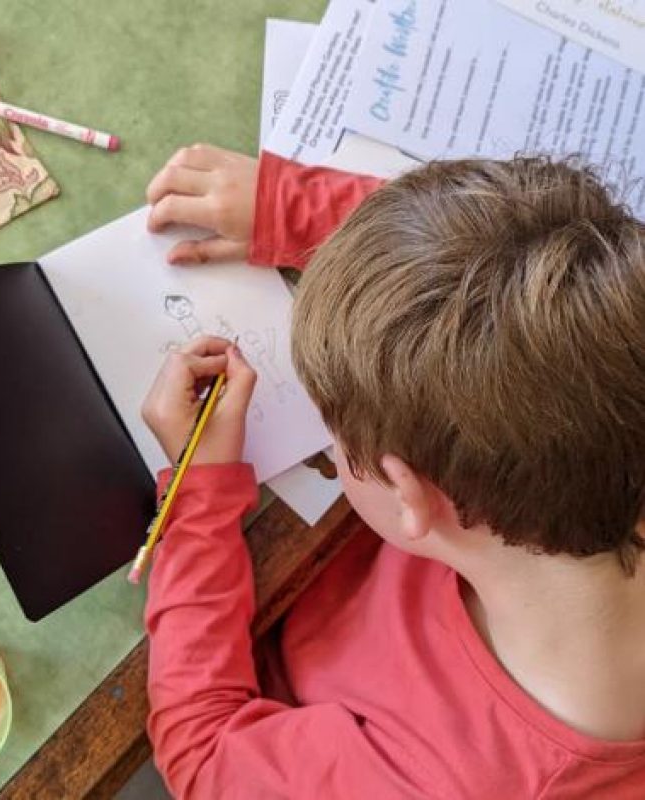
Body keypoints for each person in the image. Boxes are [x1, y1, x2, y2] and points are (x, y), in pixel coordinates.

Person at [139, 144, 645, 798]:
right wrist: (287, 207)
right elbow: (534, 286)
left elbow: (203, 751)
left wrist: (197, 496)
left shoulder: (421, 782)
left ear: (409, 492)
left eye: (337, 436)